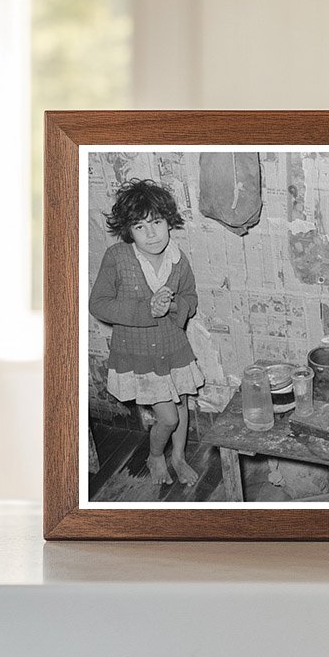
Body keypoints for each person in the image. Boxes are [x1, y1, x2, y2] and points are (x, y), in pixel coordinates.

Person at [89, 178, 205, 486]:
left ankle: (178, 457)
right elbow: (98, 304)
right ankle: (155, 456)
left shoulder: (178, 260)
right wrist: (146, 308)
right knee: (169, 418)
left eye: (156, 222)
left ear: (168, 221)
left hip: (173, 347)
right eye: (140, 227)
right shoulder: (117, 258)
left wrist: (174, 304)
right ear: (129, 231)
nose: (151, 233)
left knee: (181, 405)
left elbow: (191, 298)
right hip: (138, 354)